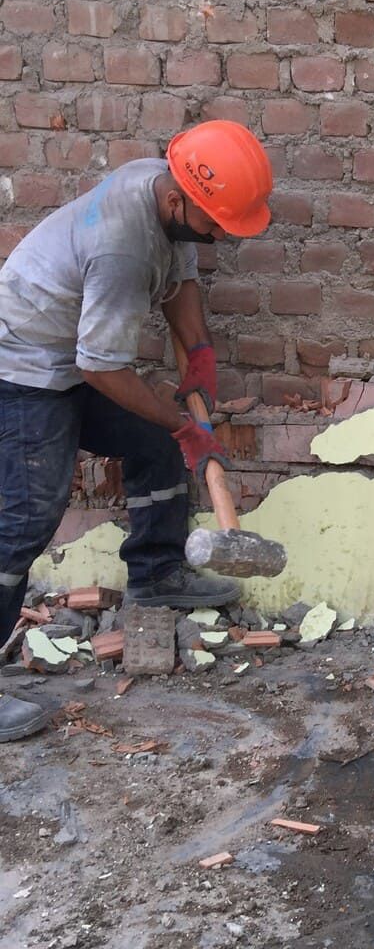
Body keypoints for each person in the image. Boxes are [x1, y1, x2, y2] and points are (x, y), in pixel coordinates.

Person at [0, 121, 274, 743]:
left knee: (153, 444)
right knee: (24, 519)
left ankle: (156, 573)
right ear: (179, 201)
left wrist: (198, 352)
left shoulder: (158, 185)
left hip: (69, 359)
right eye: (214, 224)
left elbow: (179, 281)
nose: (219, 234)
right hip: (22, 367)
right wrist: (186, 422)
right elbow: (101, 366)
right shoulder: (123, 247)